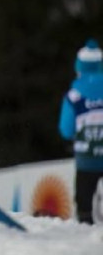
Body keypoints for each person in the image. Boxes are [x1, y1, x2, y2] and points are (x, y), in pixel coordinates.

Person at [58, 38, 103, 224]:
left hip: (86, 162)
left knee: (84, 209)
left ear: (79, 68)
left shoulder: (74, 96)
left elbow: (66, 130)